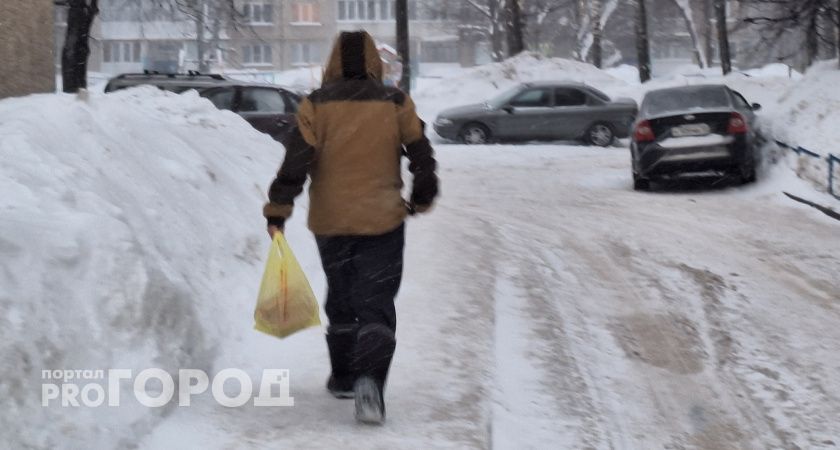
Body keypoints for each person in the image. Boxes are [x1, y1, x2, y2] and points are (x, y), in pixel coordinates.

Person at [263, 30, 438, 425]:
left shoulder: (316, 104)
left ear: (333, 62)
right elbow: (421, 153)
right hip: (382, 220)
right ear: (374, 61)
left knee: (341, 295)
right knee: (375, 302)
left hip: (331, 221)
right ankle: (370, 383)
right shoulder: (395, 102)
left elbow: (296, 161)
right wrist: (422, 196)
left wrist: (278, 209)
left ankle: (343, 377)